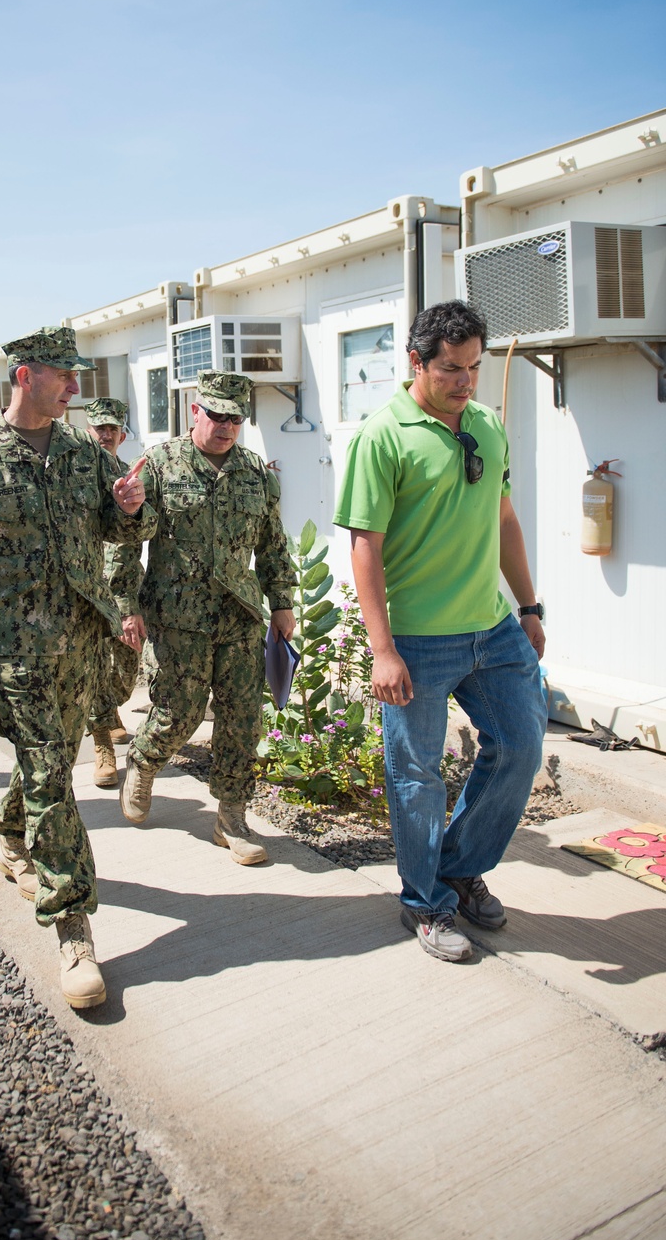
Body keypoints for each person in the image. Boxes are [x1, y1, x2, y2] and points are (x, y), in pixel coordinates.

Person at [0, 327, 154, 1010]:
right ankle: (74, 927)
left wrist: (132, 510)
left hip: (84, 642)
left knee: (52, 762)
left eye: (76, 376)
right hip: (17, 650)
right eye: (63, 376)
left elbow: (121, 524)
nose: (76, 388)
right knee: (52, 772)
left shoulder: (83, 450)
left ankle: (11, 831)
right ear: (24, 375)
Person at [334, 300, 547, 963]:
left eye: (474, 367)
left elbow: (504, 518)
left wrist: (530, 607)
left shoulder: (486, 424)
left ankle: (457, 866)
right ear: (416, 363)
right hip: (419, 641)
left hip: (493, 629)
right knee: (417, 774)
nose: (465, 382)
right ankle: (425, 904)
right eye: (450, 369)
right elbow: (364, 546)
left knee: (520, 746)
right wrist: (383, 650)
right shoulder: (384, 436)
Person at [121, 371, 296, 867]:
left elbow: (272, 543)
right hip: (179, 617)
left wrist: (282, 601)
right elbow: (128, 544)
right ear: (195, 411)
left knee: (243, 719)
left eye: (235, 418)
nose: (225, 426)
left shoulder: (255, 472)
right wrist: (126, 607)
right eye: (216, 415)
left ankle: (232, 818)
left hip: (239, 615)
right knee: (181, 712)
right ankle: (145, 759)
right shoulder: (159, 466)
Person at [82, 397, 146, 788]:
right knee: (90, 668)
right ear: (88, 431)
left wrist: (130, 603)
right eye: (98, 428)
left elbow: (134, 539)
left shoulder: (132, 474)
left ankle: (110, 712)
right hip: (85, 591)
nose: (106, 434)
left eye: (112, 428)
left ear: (122, 434)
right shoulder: (73, 472)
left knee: (125, 670)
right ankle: (102, 743)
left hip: (124, 588)